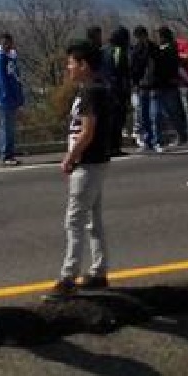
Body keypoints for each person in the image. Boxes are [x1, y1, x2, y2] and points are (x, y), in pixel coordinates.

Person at [49, 40, 113, 297]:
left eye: (71, 63)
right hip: (96, 162)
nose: (68, 67)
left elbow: (87, 132)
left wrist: (70, 157)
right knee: (91, 221)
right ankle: (98, 271)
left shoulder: (91, 92)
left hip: (87, 163)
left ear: (84, 65)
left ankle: (68, 277)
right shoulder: (97, 89)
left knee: (74, 221)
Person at [0, 33, 25, 166]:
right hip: (4, 99)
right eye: (7, 43)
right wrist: (5, 96)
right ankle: (6, 155)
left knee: (10, 128)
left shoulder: (9, 58)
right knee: (6, 128)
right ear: (2, 44)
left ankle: (10, 152)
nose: (9, 46)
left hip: (11, 98)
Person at [149, 26, 188, 151]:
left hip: (167, 84)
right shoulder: (168, 48)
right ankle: (180, 134)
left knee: (171, 112)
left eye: (160, 36)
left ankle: (181, 135)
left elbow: (169, 66)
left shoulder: (169, 49)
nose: (158, 38)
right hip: (165, 84)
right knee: (167, 112)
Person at [104, 26, 131, 155]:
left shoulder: (103, 50)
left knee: (109, 119)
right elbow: (122, 72)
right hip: (117, 90)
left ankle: (108, 146)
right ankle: (114, 147)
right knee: (117, 119)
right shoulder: (119, 51)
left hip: (104, 89)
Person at [130, 25, 155, 150]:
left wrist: (135, 81)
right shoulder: (152, 47)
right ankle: (152, 138)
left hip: (145, 84)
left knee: (148, 113)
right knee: (150, 113)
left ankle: (150, 138)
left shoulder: (138, 49)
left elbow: (133, 68)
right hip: (150, 84)